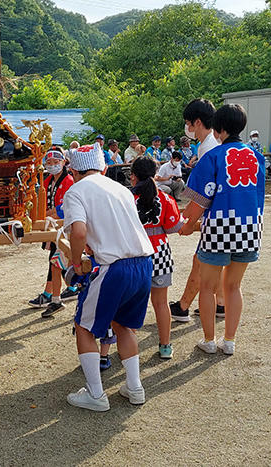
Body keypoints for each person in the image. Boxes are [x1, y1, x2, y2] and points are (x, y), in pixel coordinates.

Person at [63, 143, 154, 411]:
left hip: (113, 267)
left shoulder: (75, 191)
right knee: (124, 325)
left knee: (84, 326)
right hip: (143, 262)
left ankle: (95, 393)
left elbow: (78, 232)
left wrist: (76, 261)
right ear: (103, 167)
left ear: (74, 171)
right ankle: (135, 387)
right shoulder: (121, 188)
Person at [179, 104, 265, 355]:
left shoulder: (213, 157)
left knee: (208, 286)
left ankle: (209, 340)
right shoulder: (256, 156)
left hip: (219, 228)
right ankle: (229, 340)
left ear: (219, 128)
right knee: (233, 286)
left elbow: (199, 200)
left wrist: (187, 224)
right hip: (250, 227)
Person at [169, 98, 224, 322]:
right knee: (215, 261)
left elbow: (203, 193)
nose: (187, 128)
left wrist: (188, 222)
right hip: (220, 213)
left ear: (197, 122)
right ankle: (220, 304)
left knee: (200, 260)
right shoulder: (209, 144)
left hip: (215, 213)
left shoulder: (209, 148)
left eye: (188, 123)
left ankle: (183, 306)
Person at [130, 157, 184, 358]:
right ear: (154, 175)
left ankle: (130, 346)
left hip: (134, 255)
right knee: (161, 303)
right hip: (160, 254)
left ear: (133, 176)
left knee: (133, 303)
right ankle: (165, 346)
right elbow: (173, 227)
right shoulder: (165, 198)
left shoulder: (126, 198)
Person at [28, 148, 78, 317]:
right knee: (59, 260)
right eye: (48, 163)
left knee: (58, 260)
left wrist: (44, 214)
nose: (52, 166)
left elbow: (63, 209)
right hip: (53, 224)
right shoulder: (47, 180)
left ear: (64, 162)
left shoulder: (69, 180)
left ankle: (52, 294)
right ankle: (64, 291)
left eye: (56, 162)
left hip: (63, 225)